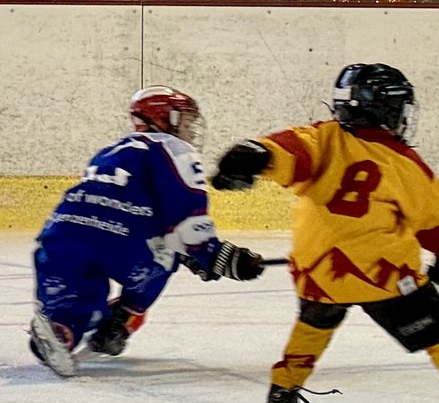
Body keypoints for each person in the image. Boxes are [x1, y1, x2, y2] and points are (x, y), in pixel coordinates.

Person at [209, 63, 439, 403]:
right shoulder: (405, 163)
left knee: (313, 327)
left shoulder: (324, 137)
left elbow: (288, 151)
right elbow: (436, 225)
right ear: (386, 109)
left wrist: (254, 156)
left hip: (318, 272)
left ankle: (282, 396)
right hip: (382, 276)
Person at [28, 86, 267, 377]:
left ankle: (61, 332)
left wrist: (193, 253)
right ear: (167, 119)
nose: (191, 131)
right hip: (122, 243)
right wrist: (212, 254)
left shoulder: (110, 151)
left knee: (73, 301)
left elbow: (108, 203)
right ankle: (121, 321)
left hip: (62, 235)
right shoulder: (174, 148)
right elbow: (186, 215)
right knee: (165, 255)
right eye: (187, 122)